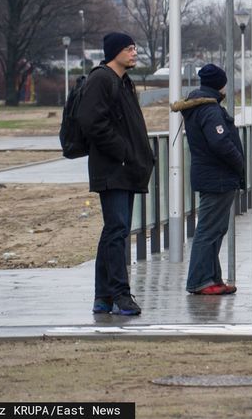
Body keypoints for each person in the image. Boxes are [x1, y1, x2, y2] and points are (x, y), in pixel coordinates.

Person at [79, 32, 154, 316]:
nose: (134, 53)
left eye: (134, 48)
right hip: (112, 168)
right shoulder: (102, 79)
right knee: (116, 231)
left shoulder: (123, 81)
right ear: (115, 52)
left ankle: (103, 297)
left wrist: (139, 155)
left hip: (125, 167)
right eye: (129, 48)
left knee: (114, 231)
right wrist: (122, 151)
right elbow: (91, 121)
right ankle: (120, 294)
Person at [173, 63, 245, 296]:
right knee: (208, 229)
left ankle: (212, 277)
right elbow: (220, 142)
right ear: (219, 84)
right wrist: (239, 163)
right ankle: (200, 280)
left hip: (212, 176)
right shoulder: (210, 110)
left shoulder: (201, 106)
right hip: (218, 177)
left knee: (216, 228)